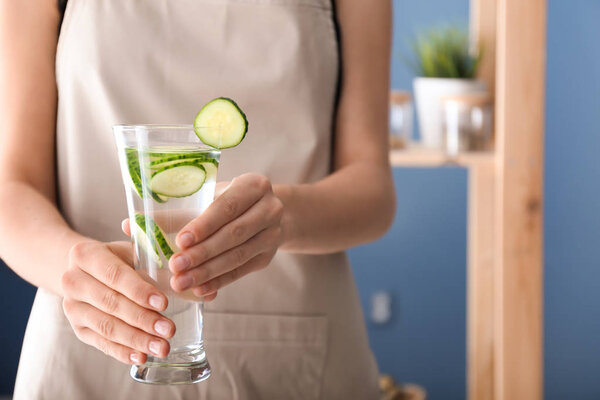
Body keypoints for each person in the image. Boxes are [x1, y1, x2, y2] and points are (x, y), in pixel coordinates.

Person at [0, 0, 394, 398]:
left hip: (300, 360)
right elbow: (13, 189)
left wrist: (283, 217)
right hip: (86, 352)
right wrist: (77, 268)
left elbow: (373, 189)